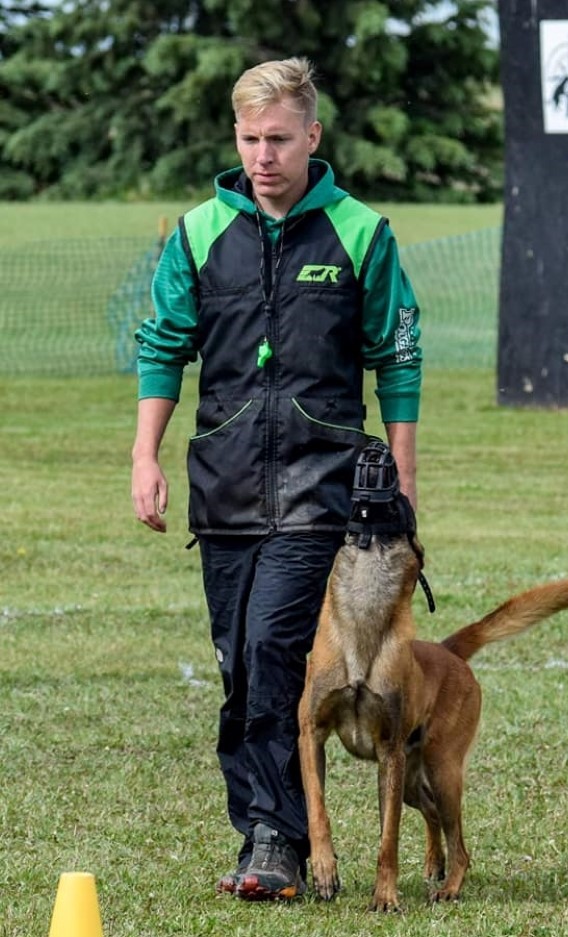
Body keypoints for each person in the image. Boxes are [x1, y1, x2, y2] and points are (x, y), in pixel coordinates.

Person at [130, 57, 422, 902]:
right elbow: (162, 348)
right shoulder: (194, 234)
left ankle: (277, 840)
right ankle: (264, 825)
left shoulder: (361, 232)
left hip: (322, 486)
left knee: (271, 648)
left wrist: (402, 471)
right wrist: (145, 456)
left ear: (313, 137)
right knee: (237, 665)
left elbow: (397, 355)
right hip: (222, 485)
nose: (265, 156)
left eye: (281, 140)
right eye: (252, 139)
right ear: (236, 137)